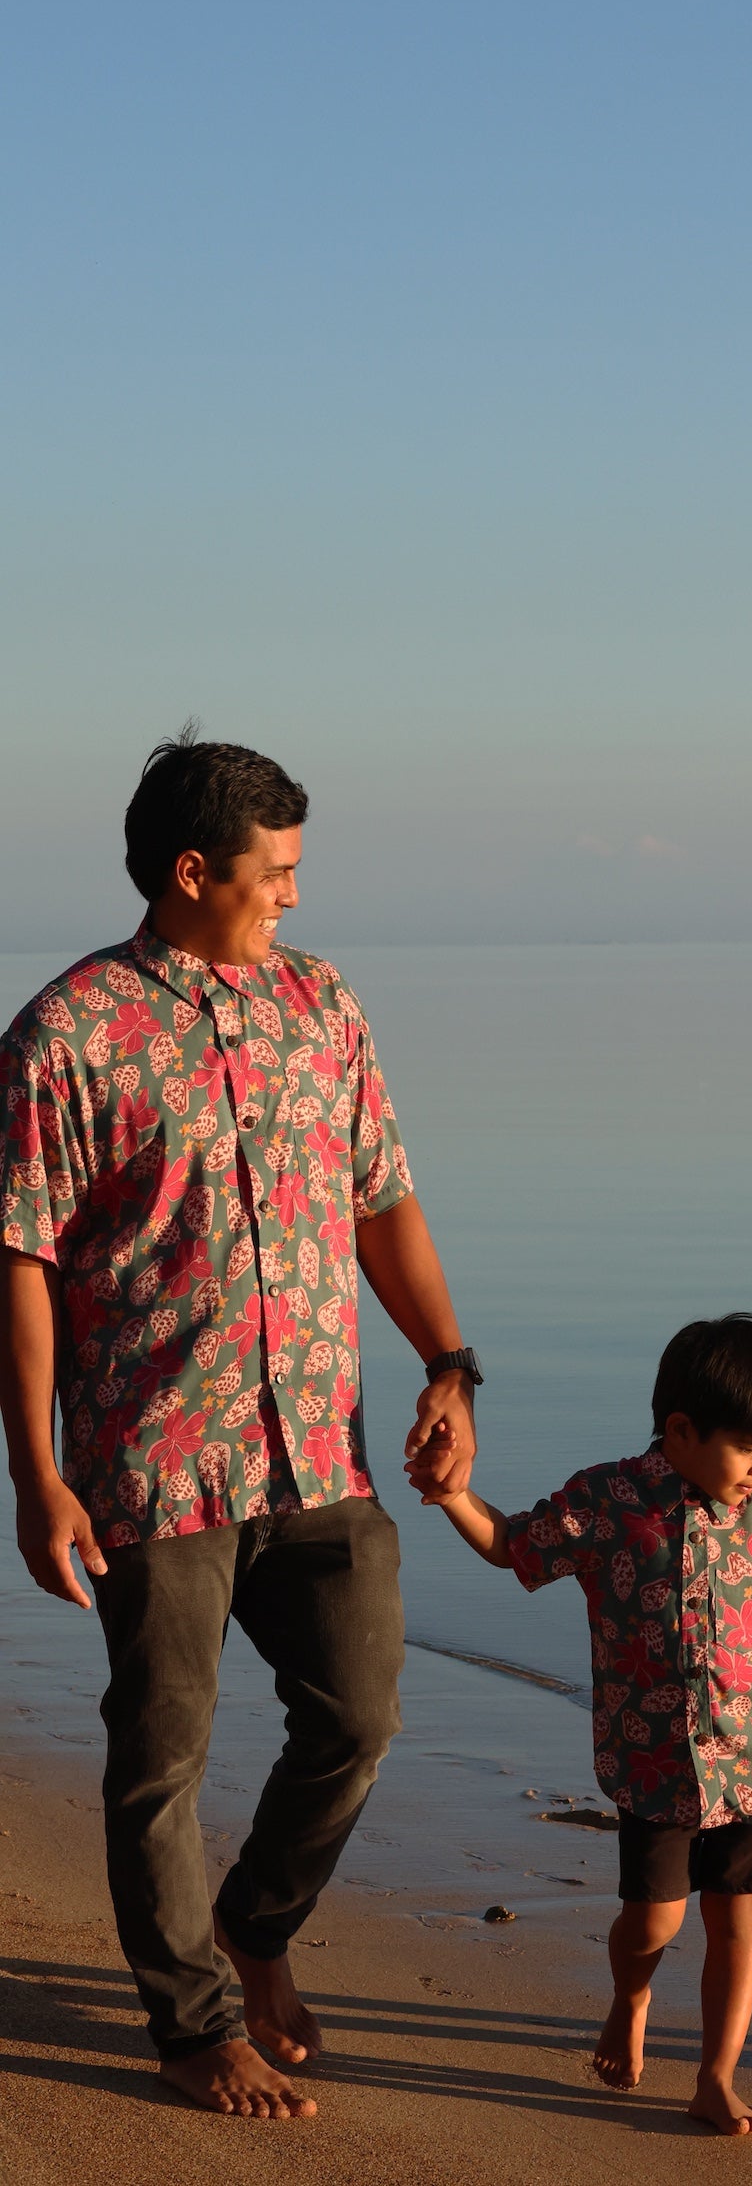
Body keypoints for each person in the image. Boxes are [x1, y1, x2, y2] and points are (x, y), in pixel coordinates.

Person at [0, 732, 479, 2121]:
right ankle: (193, 2024)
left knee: (359, 1714)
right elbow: (19, 1257)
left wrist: (449, 1366)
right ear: (193, 870)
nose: (292, 896)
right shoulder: (66, 1035)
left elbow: (382, 1197)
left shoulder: (322, 1004)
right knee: (162, 1757)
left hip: (319, 1445)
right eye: (275, 873)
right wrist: (36, 1472)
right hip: (155, 1459)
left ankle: (254, 1928)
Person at [410, 1313, 752, 2137]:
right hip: (655, 1766)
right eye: (747, 1446)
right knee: (653, 1922)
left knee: (738, 1923)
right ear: (680, 1429)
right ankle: (630, 1996)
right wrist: (452, 1493)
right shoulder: (607, 1499)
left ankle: (715, 2077)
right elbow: (513, 1546)